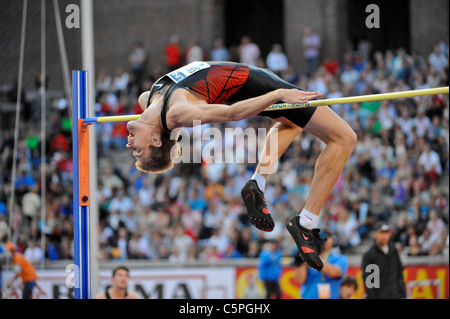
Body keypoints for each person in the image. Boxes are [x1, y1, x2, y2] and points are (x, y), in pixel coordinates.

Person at [126, 60, 357, 271]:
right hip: (255, 85)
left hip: (243, 84)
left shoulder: (148, 100)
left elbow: (157, 104)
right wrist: (278, 94)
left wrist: (152, 125)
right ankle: (306, 223)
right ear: (156, 140)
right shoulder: (178, 113)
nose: (129, 145)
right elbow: (232, 113)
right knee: (345, 139)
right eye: (138, 150)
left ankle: (258, 182)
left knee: (292, 124)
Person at [294, 230, 348, 299]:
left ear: (332, 240)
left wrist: (314, 255)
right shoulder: (308, 257)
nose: (323, 240)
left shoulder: (340, 258)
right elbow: (300, 279)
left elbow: (334, 272)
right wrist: (305, 256)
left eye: (327, 237)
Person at [361, 222, 406, 299]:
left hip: (396, 296)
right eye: (382, 233)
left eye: (387, 233)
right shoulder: (370, 255)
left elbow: (399, 274)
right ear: (375, 234)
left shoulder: (393, 251)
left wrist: (403, 295)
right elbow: (370, 284)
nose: (385, 236)